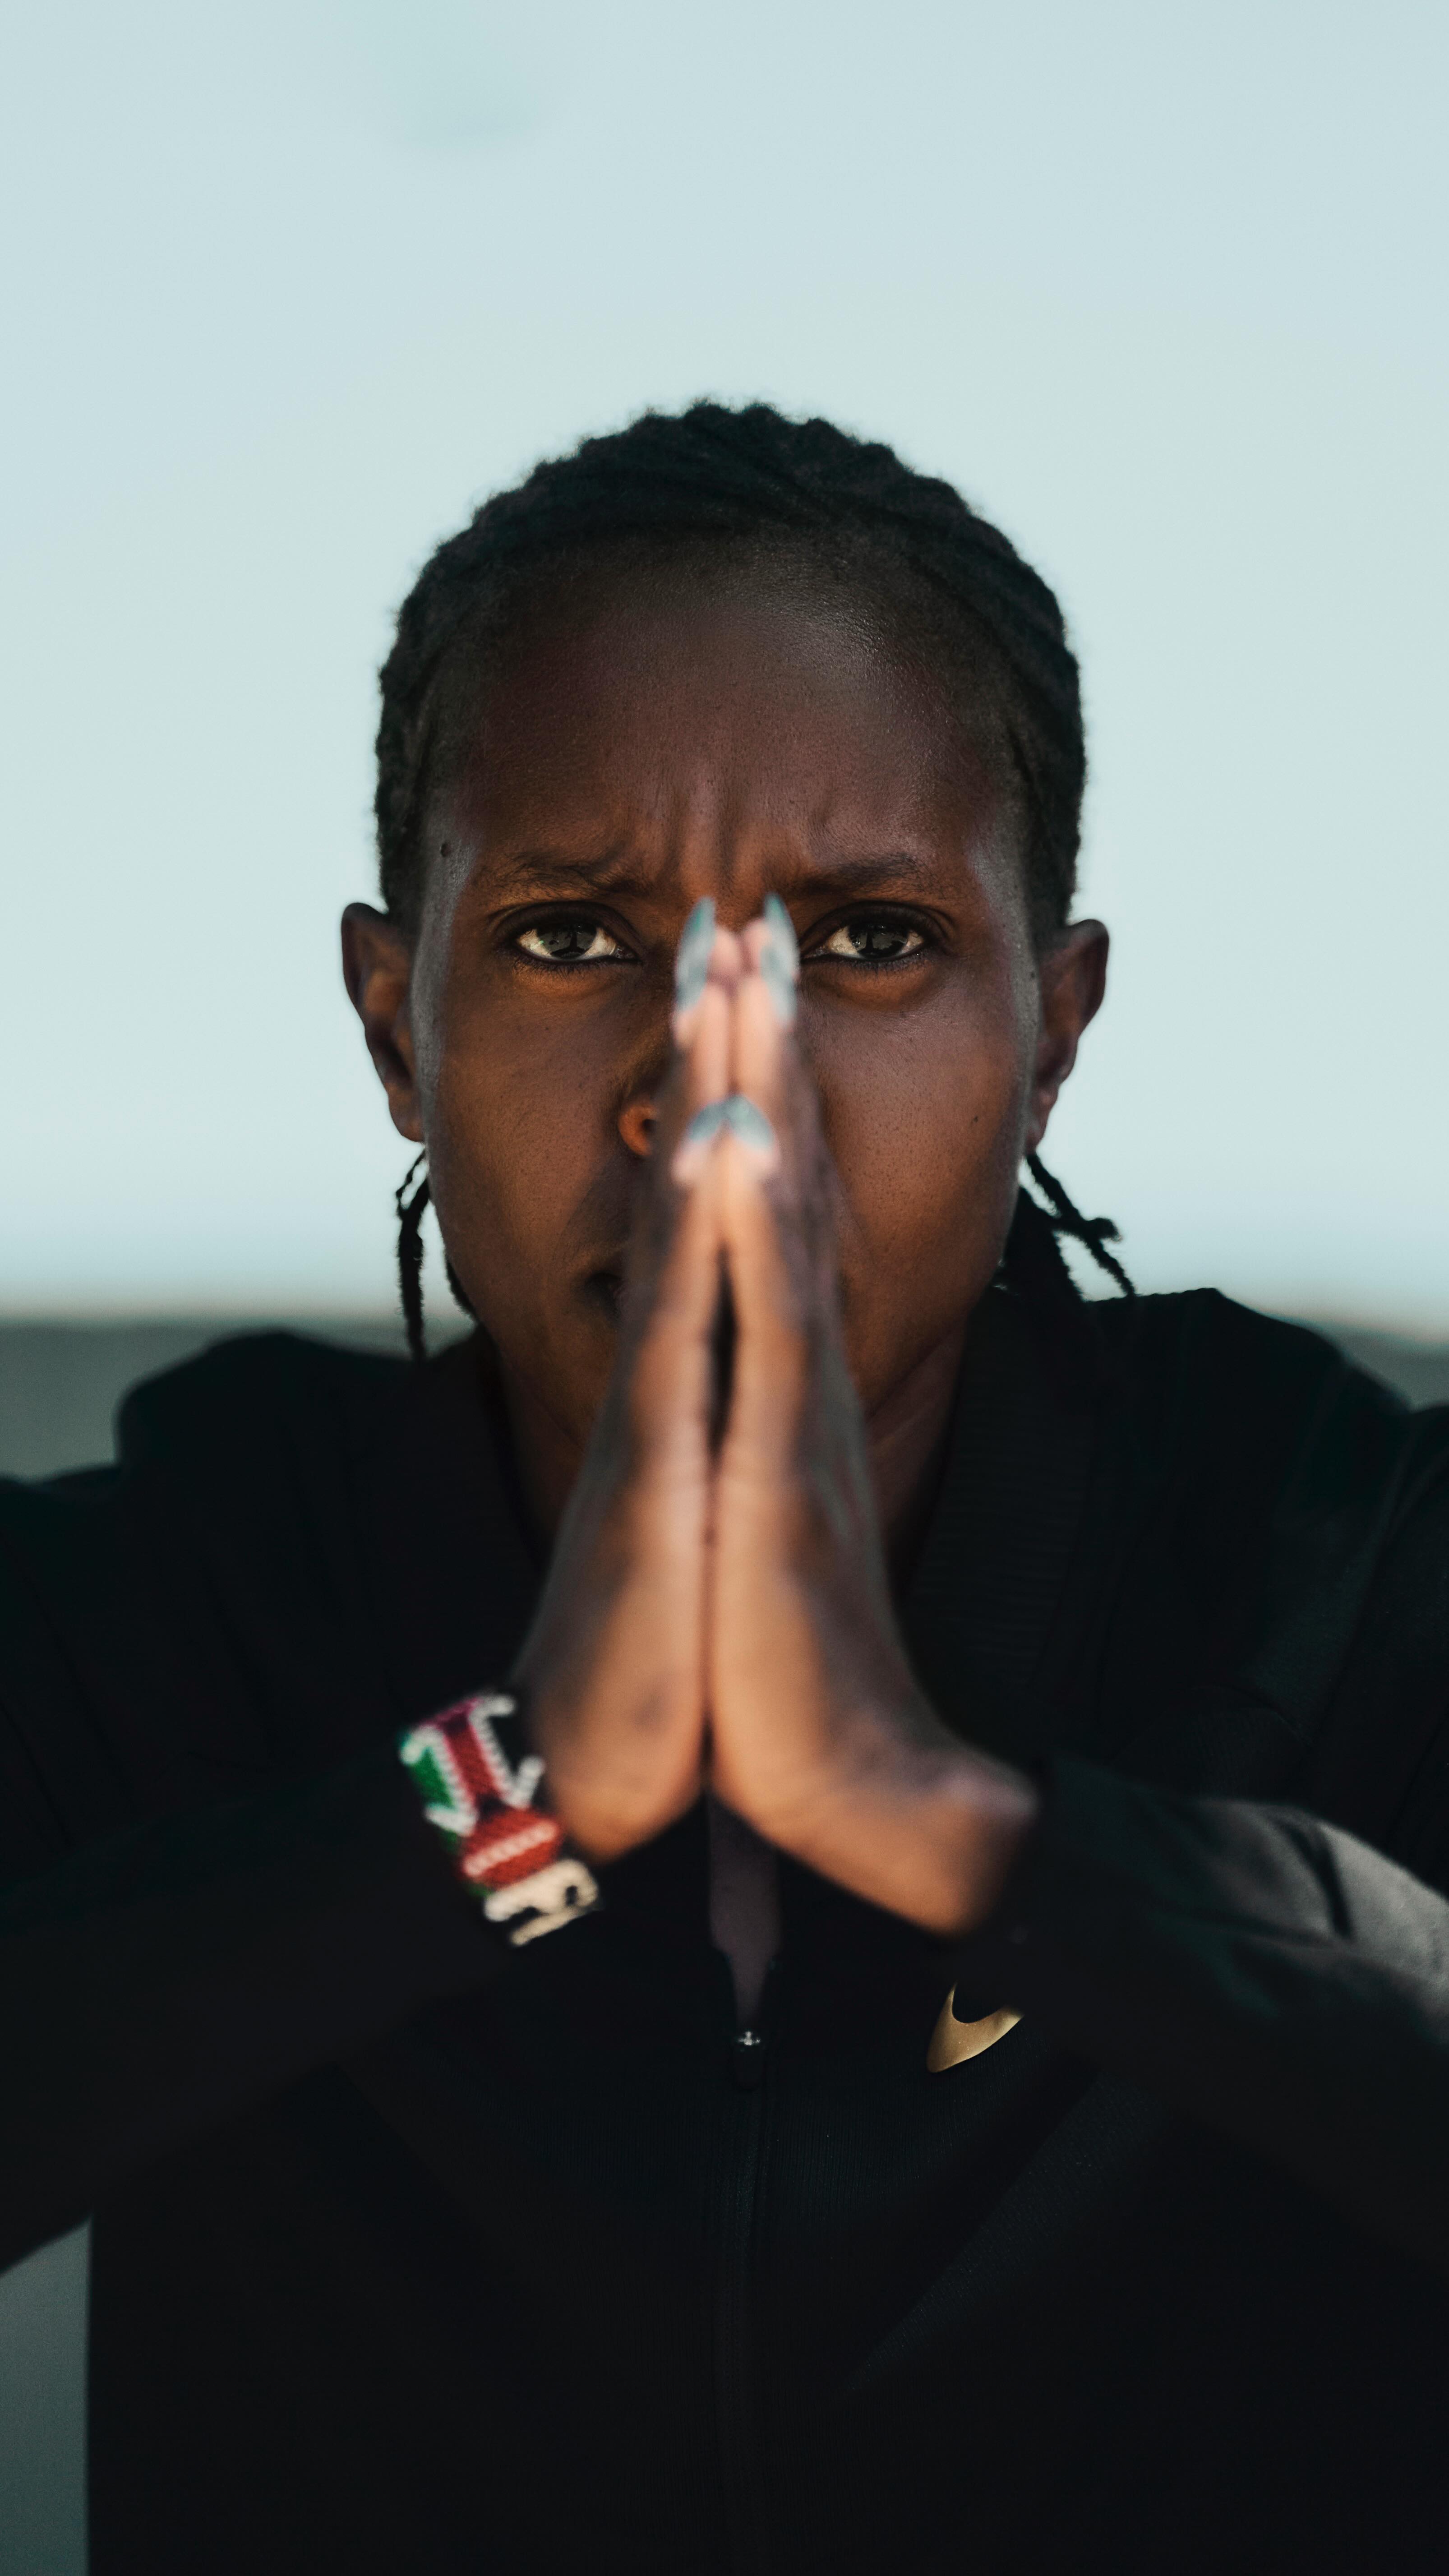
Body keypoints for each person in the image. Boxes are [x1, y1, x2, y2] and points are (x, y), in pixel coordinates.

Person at [2, 401, 1447, 2576]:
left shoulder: (1340, 1564)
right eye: (570, 938)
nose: (712, 1101)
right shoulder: (181, 1594)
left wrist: (945, 1822)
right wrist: (491, 1812)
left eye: (863, 942)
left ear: (1050, 1031)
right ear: (395, 1024)